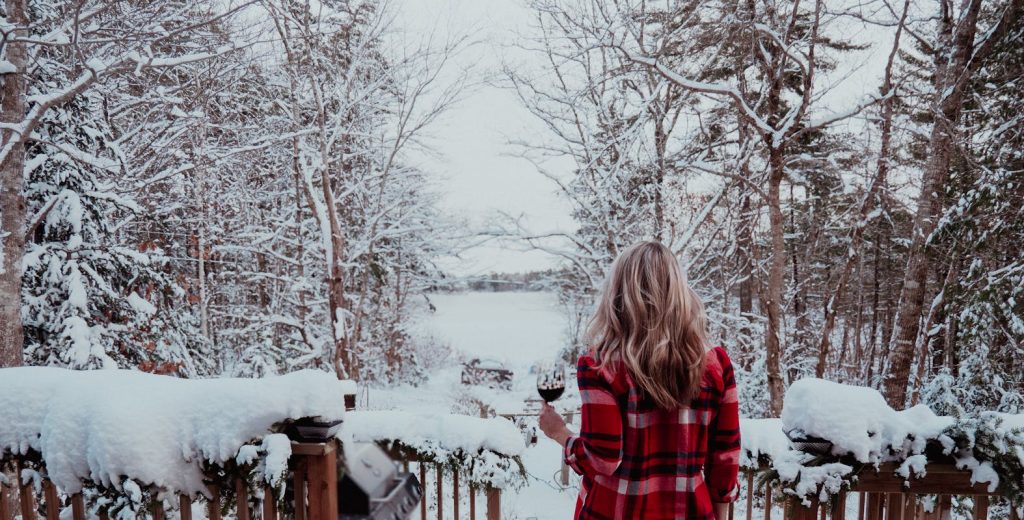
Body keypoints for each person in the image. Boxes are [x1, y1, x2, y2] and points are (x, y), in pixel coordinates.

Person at [538, 241, 740, 519]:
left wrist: (559, 433)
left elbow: (603, 460)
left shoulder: (600, 367)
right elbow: (724, 460)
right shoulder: (715, 365)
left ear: (619, 295)